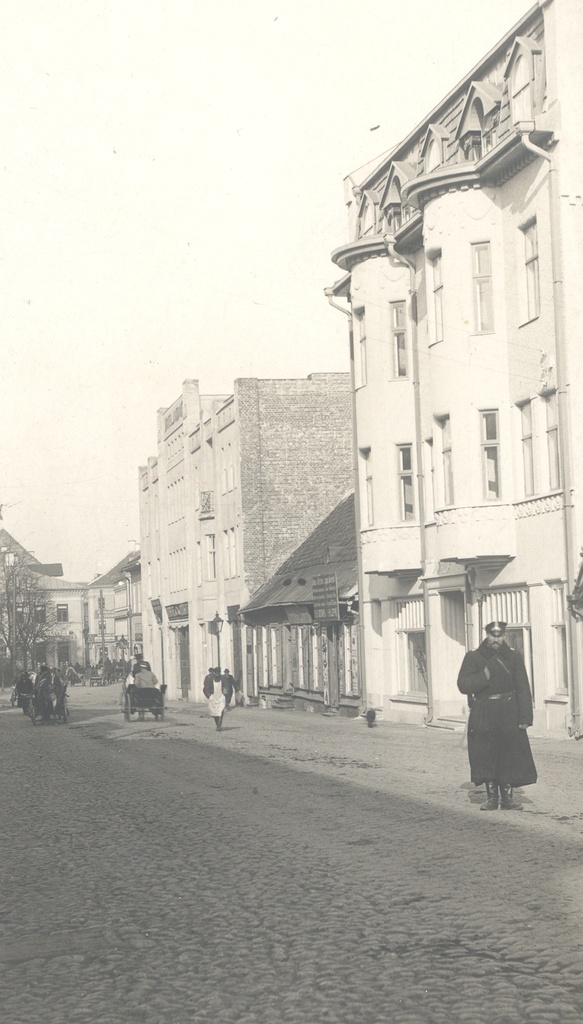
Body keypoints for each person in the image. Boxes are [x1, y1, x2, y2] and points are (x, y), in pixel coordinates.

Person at [457, 620, 537, 811]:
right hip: (483, 712)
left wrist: (525, 717)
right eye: (492, 635)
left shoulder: (513, 657)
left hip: (509, 712)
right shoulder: (474, 657)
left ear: (504, 636)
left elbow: (523, 688)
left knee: (509, 753)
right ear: (486, 635)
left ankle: (508, 799)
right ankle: (492, 798)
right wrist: (483, 677)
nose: (496, 639)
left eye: (499, 635)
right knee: (486, 754)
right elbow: (463, 685)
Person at [203, 667, 226, 731]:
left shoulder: (223, 678)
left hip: (221, 697)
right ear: (214, 673)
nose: (217, 674)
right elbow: (205, 689)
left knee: (221, 710)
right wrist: (209, 696)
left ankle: (219, 725)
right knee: (214, 712)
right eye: (216, 673)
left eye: (219, 672)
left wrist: (225, 694)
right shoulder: (210, 679)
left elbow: (226, 687)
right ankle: (217, 724)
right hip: (213, 697)